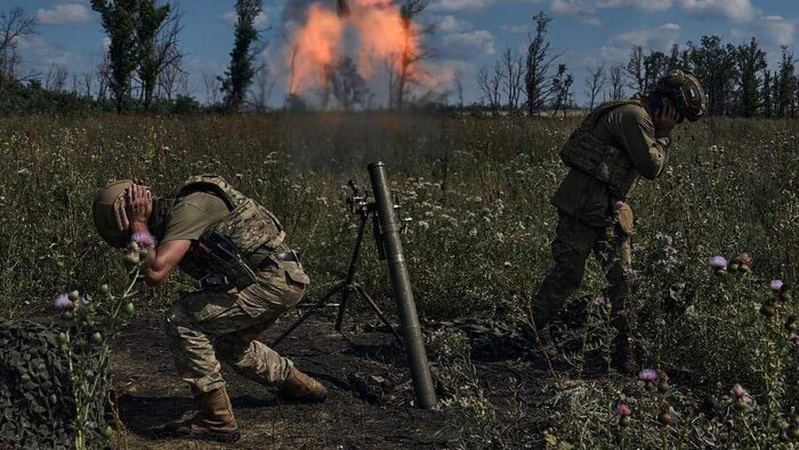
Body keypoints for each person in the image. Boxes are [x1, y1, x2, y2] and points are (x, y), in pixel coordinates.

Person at [92, 174, 327, 443]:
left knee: (182, 318)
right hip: (272, 280)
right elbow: (145, 273)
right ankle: (303, 387)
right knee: (231, 346)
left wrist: (138, 224)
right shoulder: (176, 217)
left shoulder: (188, 208)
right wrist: (140, 231)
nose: (133, 241)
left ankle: (217, 420)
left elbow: (155, 272)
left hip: (273, 279)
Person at [531, 69, 707, 373]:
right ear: (668, 104)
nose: (677, 123)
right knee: (568, 273)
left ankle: (624, 347)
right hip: (583, 206)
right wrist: (663, 137)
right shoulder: (634, 117)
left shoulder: (641, 117)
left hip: (610, 210)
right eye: (678, 115)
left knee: (622, 280)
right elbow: (652, 167)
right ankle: (536, 329)